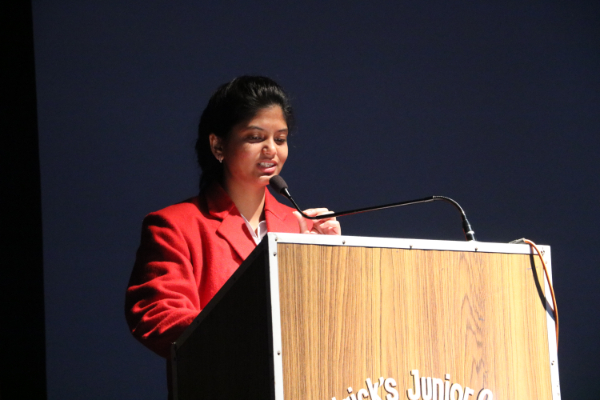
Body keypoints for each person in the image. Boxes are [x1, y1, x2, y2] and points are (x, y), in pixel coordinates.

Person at [125, 76, 340, 392]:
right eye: (255, 137)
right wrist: (249, 332)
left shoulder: (299, 226)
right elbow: (158, 316)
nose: (271, 150)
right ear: (218, 145)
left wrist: (335, 263)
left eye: (280, 139)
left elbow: (327, 326)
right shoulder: (175, 225)